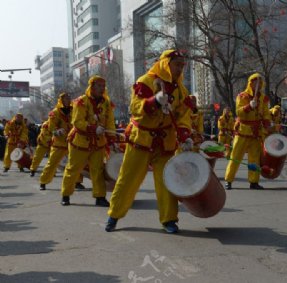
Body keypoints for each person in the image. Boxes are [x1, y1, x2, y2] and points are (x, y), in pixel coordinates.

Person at [105, 49, 193, 233]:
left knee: (167, 181)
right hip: (142, 140)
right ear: (165, 64)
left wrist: (185, 134)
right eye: (177, 64)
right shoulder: (145, 82)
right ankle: (114, 215)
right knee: (127, 179)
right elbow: (135, 108)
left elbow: (183, 115)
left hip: (165, 141)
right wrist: (154, 101)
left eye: (182, 65)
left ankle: (169, 219)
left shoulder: (180, 90)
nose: (180, 68)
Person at [60, 76, 116, 206]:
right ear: (92, 87)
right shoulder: (81, 101)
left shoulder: (106, 102)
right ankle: (66, 195)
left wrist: (112, 135)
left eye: (103, 86)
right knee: (73, 169)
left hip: (98, 142)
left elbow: (110, 121)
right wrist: (92, 128)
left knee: (98, 170)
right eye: (99, 86)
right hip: (80, 142)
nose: (102, 89)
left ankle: (100, 197)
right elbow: (77, 122)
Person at [224, 73, 270, 190]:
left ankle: (253, 181)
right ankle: (228, 180)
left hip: (256, 132)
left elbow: (266, 113)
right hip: (242, 131)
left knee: (254, 158)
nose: (258, 85)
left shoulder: (263, 98)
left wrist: (267, 123)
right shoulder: (242, 96)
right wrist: (249, 106)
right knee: (235, 157)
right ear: (250, 83)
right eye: (255, 82)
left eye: (260, 82)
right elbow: (239, 112)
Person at [39, 93, 85, 190]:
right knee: (52, 162)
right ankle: (43, 181)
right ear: (61, 100)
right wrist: (57, 131)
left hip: (73, 141)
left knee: (76, 163)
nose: (68, 99)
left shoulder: (75, 110)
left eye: (69, 97)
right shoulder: (55, 112)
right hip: (59, 142)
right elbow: (51, 127)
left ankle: (77, 182)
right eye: (65, 98)